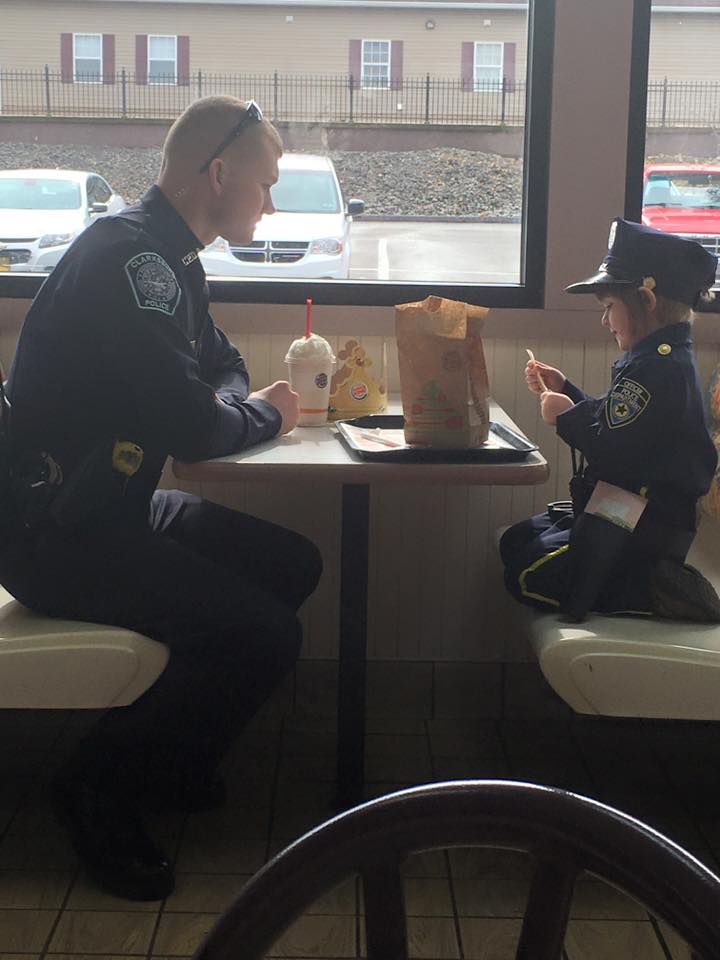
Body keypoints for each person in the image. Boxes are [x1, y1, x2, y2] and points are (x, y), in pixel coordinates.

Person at [0, 96, 322, 901]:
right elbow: (195, 427)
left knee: (291, 563)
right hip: (55, 533)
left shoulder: (168, 259)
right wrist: (269, 414)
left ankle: (171, 757)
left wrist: (234, 403)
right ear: (218, 174)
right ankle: (96, 787)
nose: (272, 202)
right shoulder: (132, 262)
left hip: (112, 507)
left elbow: (222, 363)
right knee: (266, 637)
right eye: (267, 184)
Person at [500, 218, 719, 620]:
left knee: (525, 573)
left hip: (641, 530)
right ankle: (633, 582)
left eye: (609, 308)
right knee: (518, 540)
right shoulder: (658, 358)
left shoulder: (658, 369)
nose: (605, 322)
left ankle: (644, 589)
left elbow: (615, 453)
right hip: (625, 511)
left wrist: (564, 418)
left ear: (646, 302)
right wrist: (567, 390)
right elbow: (619, 424)